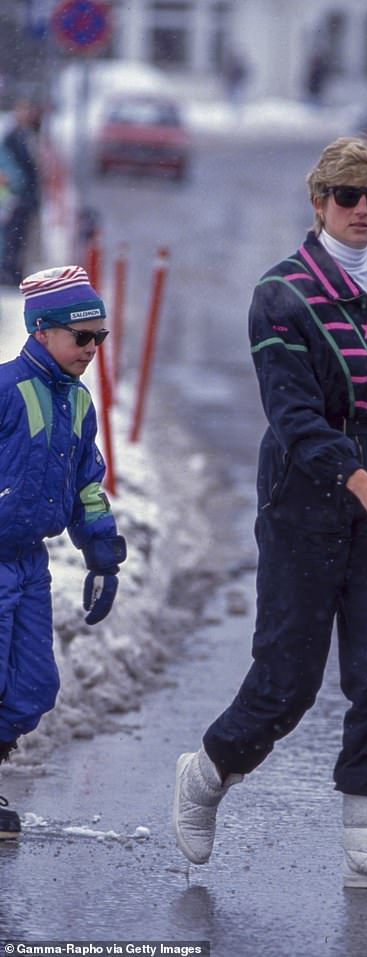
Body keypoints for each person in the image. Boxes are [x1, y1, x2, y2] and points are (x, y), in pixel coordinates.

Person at [173, 137, 367, 892]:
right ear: (318, 201)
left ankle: (366, 843)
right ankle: (208, 771)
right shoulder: (280, 292)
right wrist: (354, 475)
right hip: (304, 493)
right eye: (346, 196)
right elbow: (290, 414)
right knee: (288, 678)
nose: (361, 211)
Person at [0, 265, 127, 838]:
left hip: (31, 564)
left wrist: (103, 557)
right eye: (83, 337)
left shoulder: (78, 403)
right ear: (42, 330)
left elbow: (86, 484)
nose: (93, 349)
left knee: (32, 688)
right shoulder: (6, 390)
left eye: (101, 337)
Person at [0, 99, 41, 285]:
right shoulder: (13, 137)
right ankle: (9, 272)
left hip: (27, 196)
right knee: (13, 238)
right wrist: (18, 186)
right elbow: (13, 170)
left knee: (21, 237)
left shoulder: (28, 134)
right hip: (16, 196)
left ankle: (14, 271)